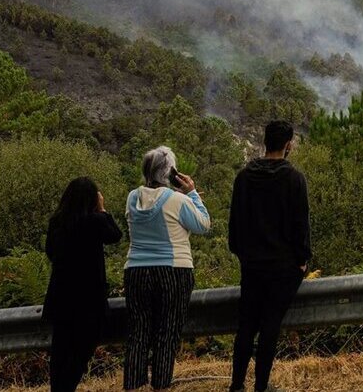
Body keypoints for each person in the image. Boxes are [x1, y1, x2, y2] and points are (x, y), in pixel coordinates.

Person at [228, 120, 311, 392]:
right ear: (288, 145)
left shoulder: (243, 178)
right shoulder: (294, 179)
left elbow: (235, 224)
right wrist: (302, 259)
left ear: (265, 142)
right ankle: (261, 387)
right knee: (270, 325)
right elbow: (301, 224)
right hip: (283, 267)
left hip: (252, 265)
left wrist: (242, 254)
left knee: (247, 324)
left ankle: (236, 384)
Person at [123, 146, 212, 391]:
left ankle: (133, 386)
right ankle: (160, 386)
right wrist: (193, 193)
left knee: (138, 333)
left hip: (136, 271)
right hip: (173, 270)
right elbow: (204, 224)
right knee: (167, 332)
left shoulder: (132, 197)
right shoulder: (178, 199)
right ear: (171, 173)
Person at [43, 176, 123, 392]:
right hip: (88, 301)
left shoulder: (57, 222)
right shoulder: (94, 221)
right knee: (79, 354)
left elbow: (50, 252)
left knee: (60, 354)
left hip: (60, 299)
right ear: (92, 200)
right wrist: (103, 209)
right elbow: (115, 235)